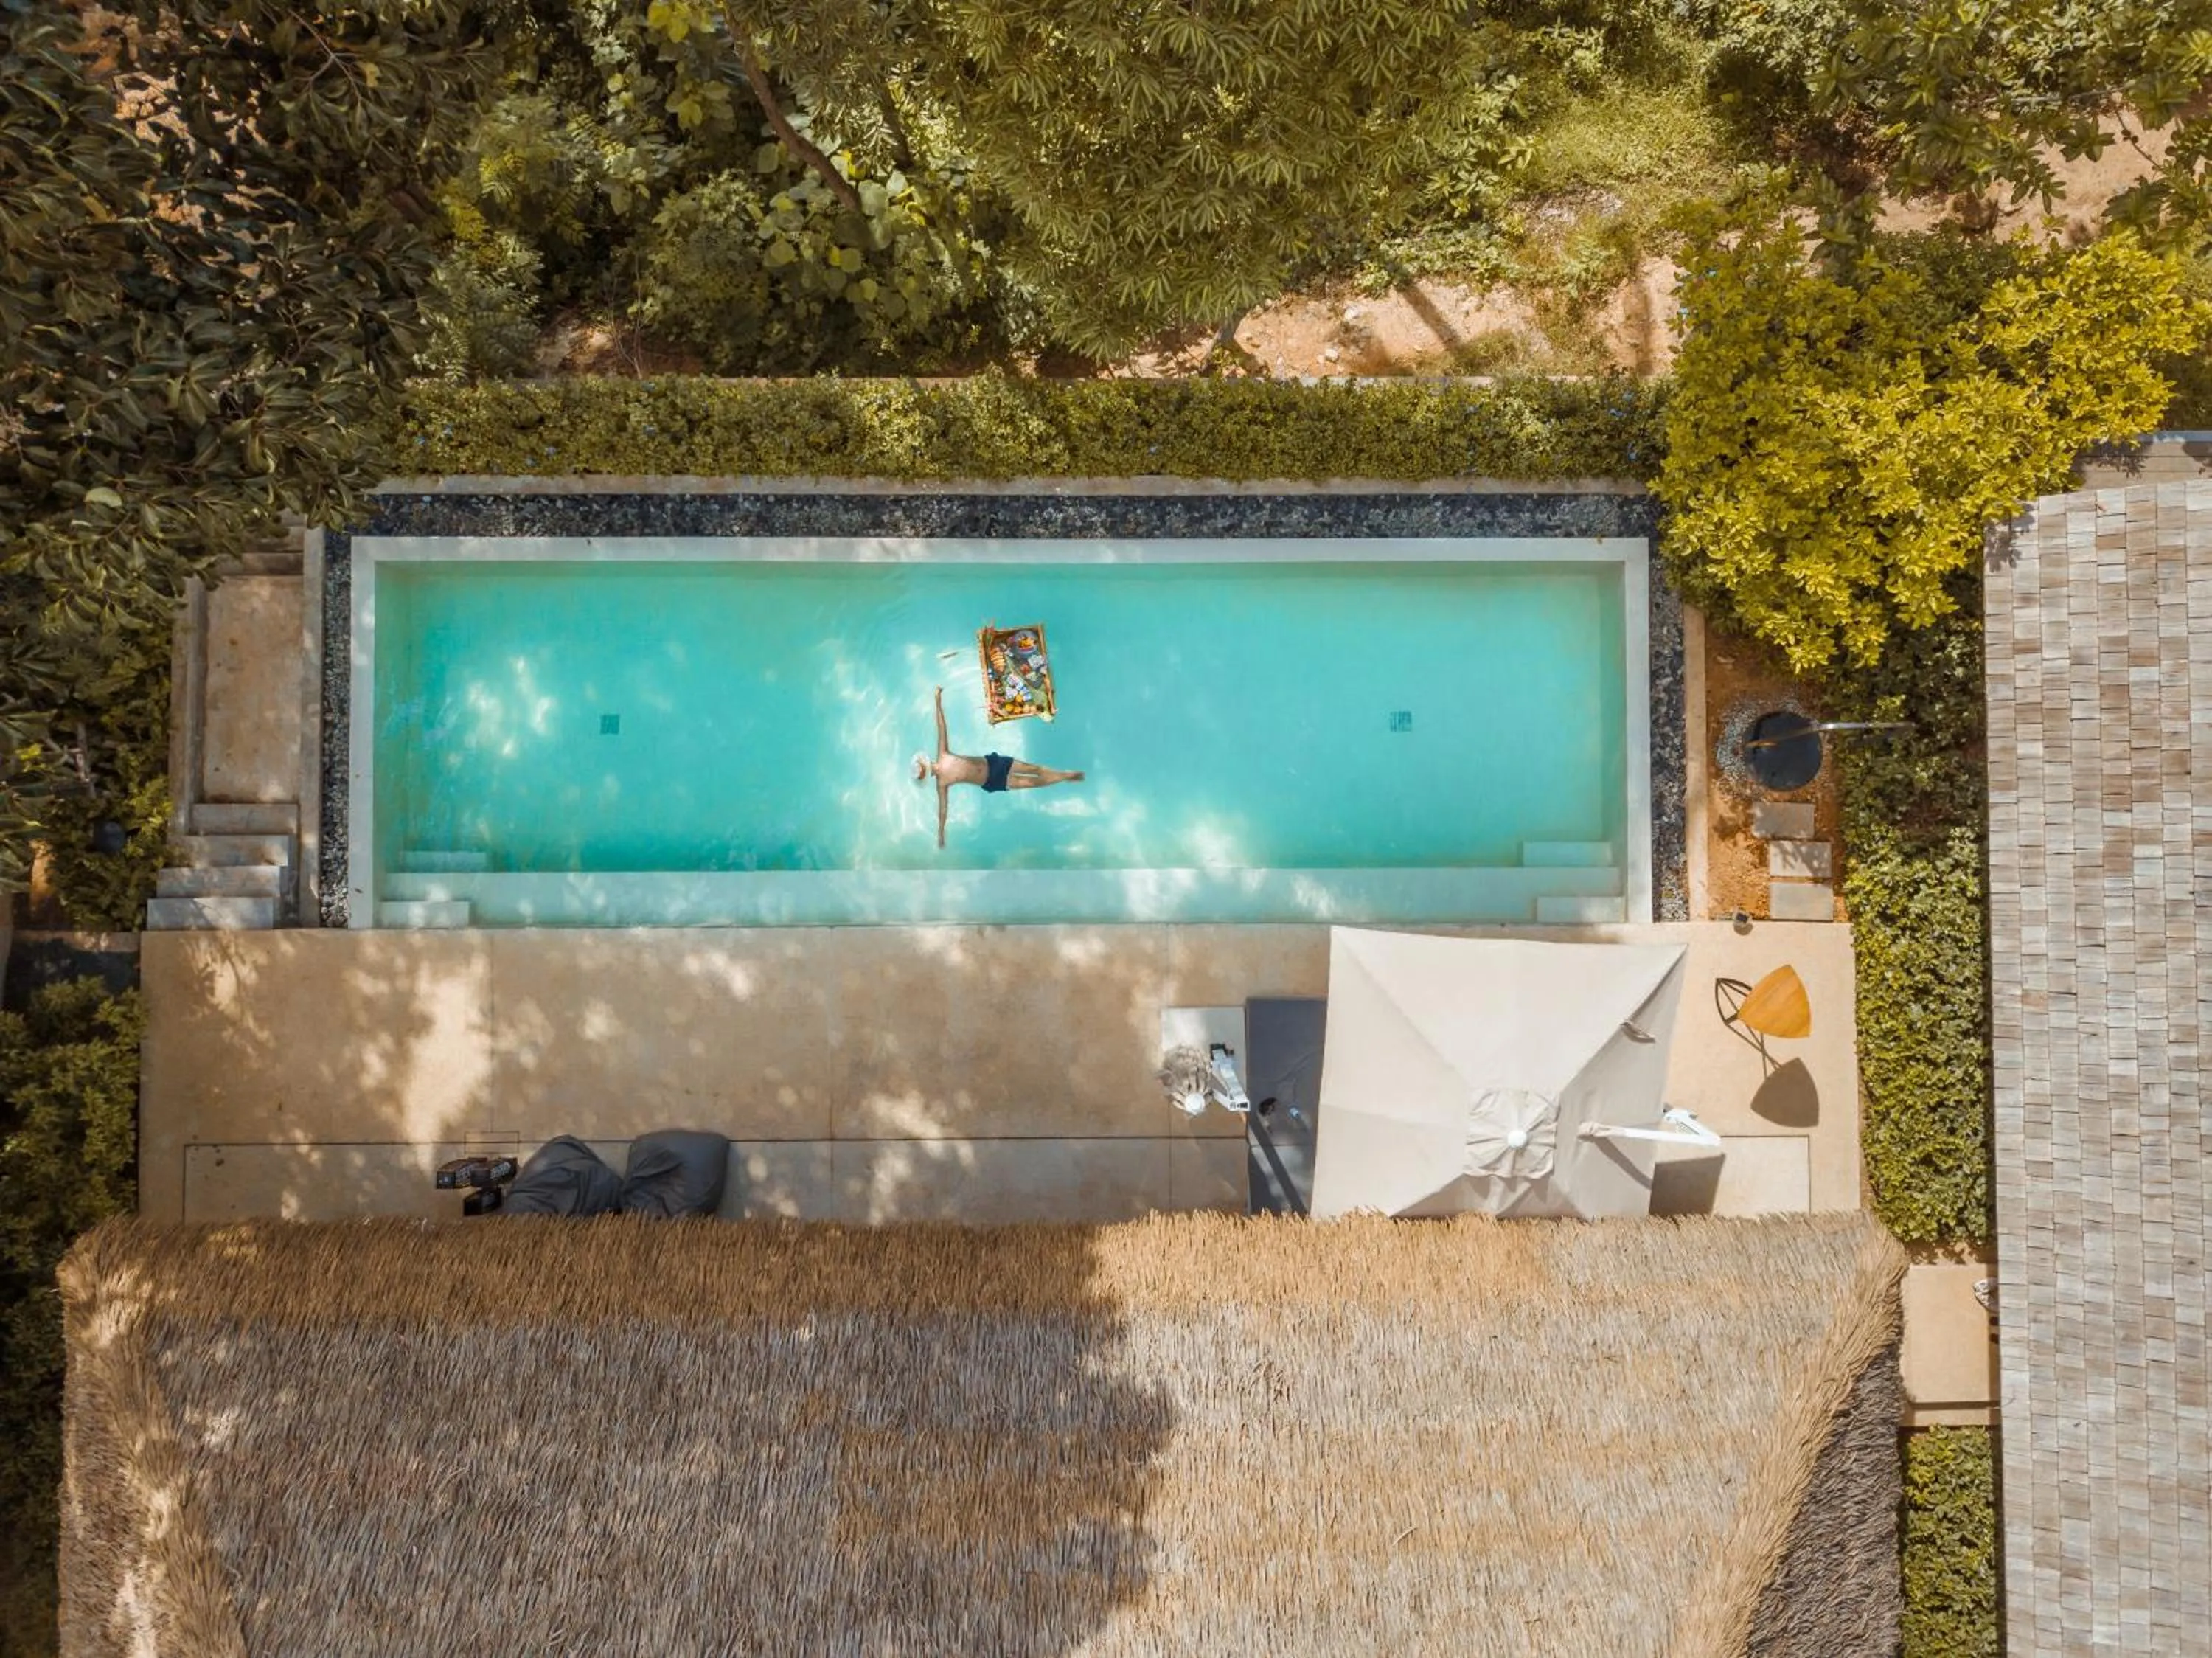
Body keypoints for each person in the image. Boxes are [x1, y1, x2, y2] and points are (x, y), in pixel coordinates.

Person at [913, 686, 1084, 847]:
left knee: (1034, 770)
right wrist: (941, 833)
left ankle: (1064, 775)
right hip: (992, 782)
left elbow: (941, 726)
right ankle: (1064, 777)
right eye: (924, 773)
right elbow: (943, 808)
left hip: (994, 763)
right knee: (1032, 783)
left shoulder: (943, 754)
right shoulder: (942, 783)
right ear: (927, 776)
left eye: (924, 768)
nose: (928, 770)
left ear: (926, 762)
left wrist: (937, 701)